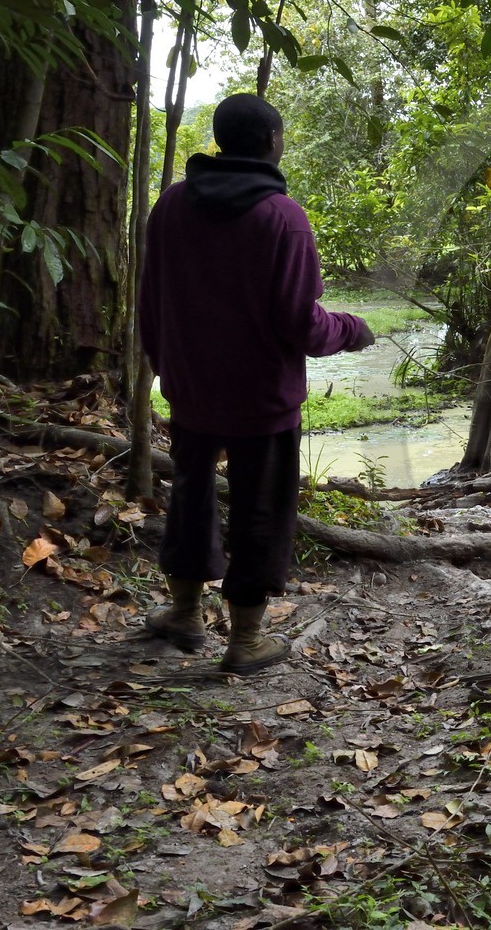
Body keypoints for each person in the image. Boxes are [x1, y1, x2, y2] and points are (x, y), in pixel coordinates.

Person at [139, 93, 374, 675]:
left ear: (220, 141)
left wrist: (164, 362)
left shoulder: (171, 205)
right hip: (263, 398)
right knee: (261, 510)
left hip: (190, 386)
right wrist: (350, 330)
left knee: (190, 496)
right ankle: (245, 640)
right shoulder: (281, 217)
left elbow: (150, 299)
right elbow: (300, 321)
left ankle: (185, 613)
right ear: (272, 140)